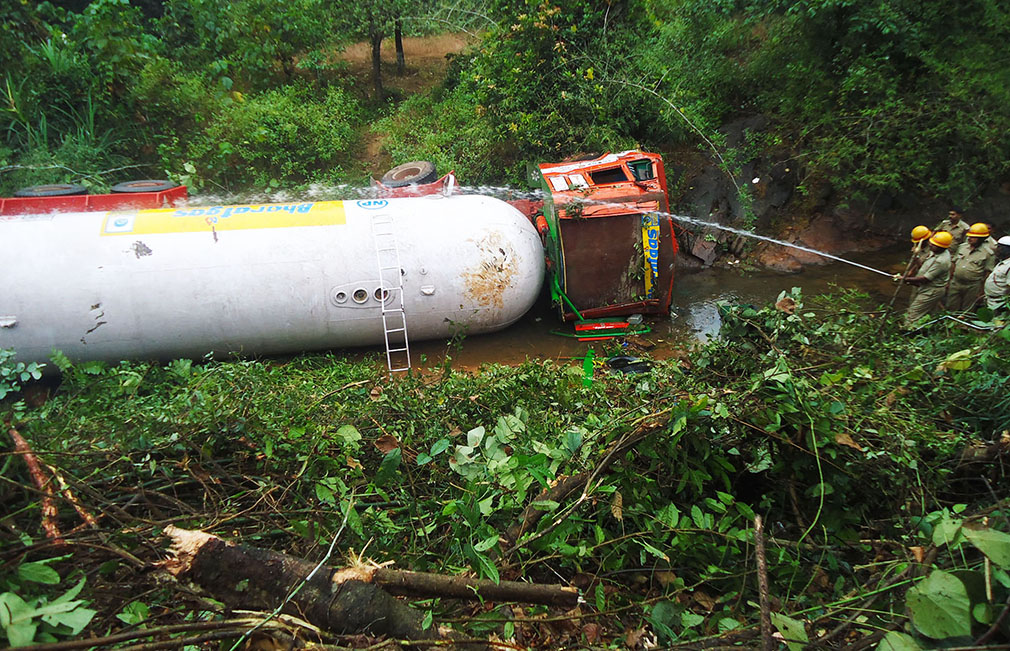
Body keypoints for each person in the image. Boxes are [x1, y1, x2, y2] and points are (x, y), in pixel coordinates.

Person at [903, 230, 953, 328]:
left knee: (913, 313)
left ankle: (907, 331)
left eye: (933, 245)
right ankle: (927, 330)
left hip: (931, 290)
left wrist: (906, 279)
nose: (930, 246)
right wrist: (917, 257)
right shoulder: (934, 253)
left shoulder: (941, 261)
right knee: (929, 313)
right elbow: (923, 268)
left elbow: (925, 278)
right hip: (925, 286)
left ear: (941, 247)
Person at [947, 223, 996, 311]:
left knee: (967, 310)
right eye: (969, 236)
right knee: (951, 307)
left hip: (972, 286)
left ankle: (963, 325)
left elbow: (987, 273)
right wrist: (949, 280)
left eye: (973, 237)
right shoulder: (962, 247)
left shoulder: (988, 253)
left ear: (981, 239)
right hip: (956, 282)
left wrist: (982, 291)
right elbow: (953, 264)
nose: (970, 238)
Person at [984, 236, 1010, 312]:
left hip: (999, 303)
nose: (997, 249)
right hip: (991, 300)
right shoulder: (1002, 262)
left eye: (1000, 247)